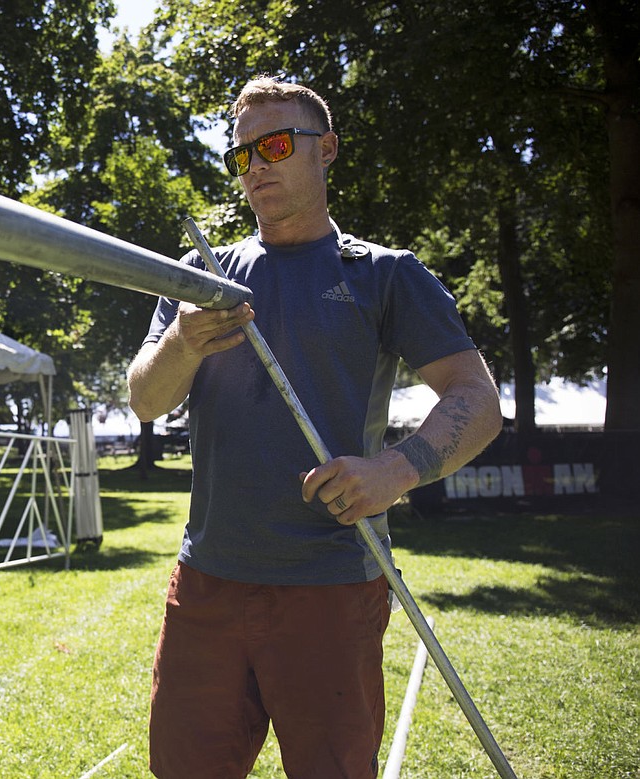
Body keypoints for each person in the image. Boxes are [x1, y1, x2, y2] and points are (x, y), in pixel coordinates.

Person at [127, 76, 503, 779]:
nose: (257, 165)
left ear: (325, 149)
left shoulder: (385, 275)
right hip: (206, 582)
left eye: (274, 144)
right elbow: (145, 400)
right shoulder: (202, 277)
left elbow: (477, 398)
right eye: (242, 154)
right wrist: (181, 341)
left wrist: (397, 469)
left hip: (331, 586)